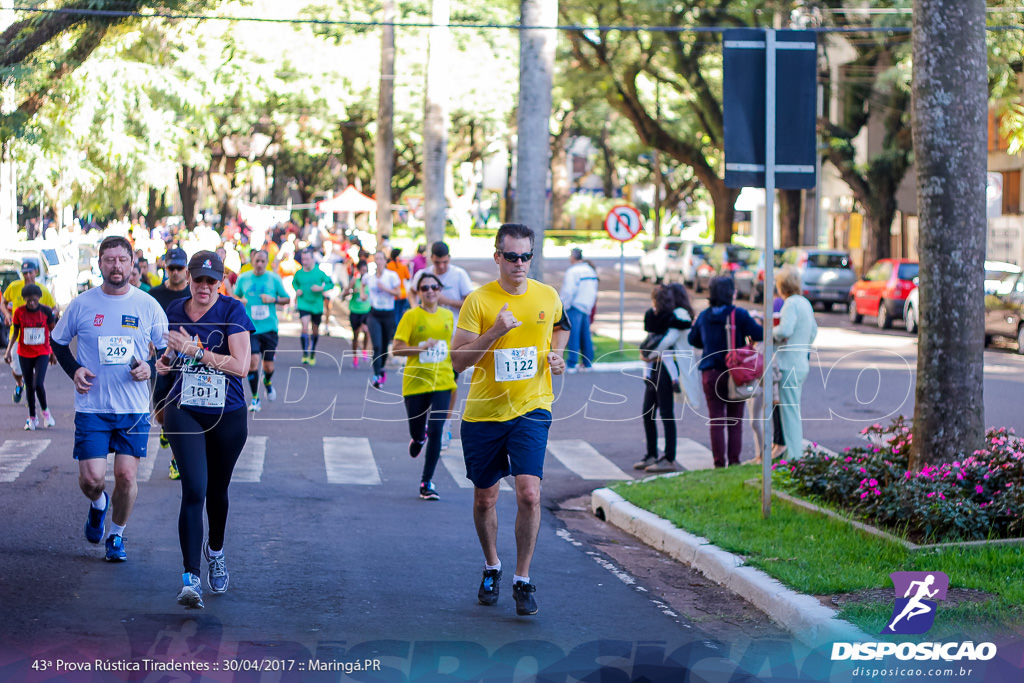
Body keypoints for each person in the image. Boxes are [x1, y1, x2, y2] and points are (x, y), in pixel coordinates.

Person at [451, 223, 570, 617]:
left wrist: (557, 356)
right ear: (497, 256)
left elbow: (560, 326)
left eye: (526, 256)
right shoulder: (479, 301)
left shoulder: (547, 295)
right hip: (484, 413)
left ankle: (522, 578)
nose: (520, 264)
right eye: (512, 256)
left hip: (532, 407)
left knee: (528, 493)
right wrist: (495, 331)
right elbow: (458, 360)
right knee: (485, 498)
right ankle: (492, 566)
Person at [50, 236, 168, 562]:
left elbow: (167, 350)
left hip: (132, 409)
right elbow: (58, 341)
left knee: (126, 477)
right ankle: (99, 504)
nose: (116, 266)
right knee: (91, 480)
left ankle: (116, 535)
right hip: (93, 408)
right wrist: (74, 370)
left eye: (122, 260)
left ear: (133, 264)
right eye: (109, 259)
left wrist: (150, 367)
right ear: (100, 263)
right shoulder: (82, 304)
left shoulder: (146, 305)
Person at [156, 251, 254, 609]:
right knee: (194, 488)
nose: (205, 287)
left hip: (227, 413)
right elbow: (168, 357)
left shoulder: (232, 311)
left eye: (212, 281)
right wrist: (165, 362)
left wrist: (196, 352)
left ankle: (215, 550)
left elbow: (241, 366)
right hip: (186, 410)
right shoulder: (174, 312)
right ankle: (190, 579)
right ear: (190, 279)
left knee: (217, 491)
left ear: (221, 282)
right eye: (199, 279)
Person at [392, 273, 457, 500]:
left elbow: (451, 346)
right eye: (424, 288)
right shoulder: (411, 316)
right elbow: (396, 349)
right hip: (416, 382)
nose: (430, 291)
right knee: (418, 430)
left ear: (440, 290)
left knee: (437, 431)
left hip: (442, 380)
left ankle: (426, 481)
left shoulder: (448, 316)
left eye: (434, 287)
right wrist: (421, 348)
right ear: (419, 292)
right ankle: (418, 438)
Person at [687, 276, 763, 468]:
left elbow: (693, 340)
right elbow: (759, 334)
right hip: (735, 374)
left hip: (710, 373)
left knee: (716, 420)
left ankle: (719, 464)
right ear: (730, 293)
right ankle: (735, 462)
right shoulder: (739, 314)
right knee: (735, 421)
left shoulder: (704, 316)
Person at [411, 241, 475, 449]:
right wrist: (416, 310)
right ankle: (430, 423)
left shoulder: (459, 275)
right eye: (438, 263)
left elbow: (469, 302)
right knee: (427, 381)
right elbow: (412, 291)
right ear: (432, 259)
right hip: (428, 340)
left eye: (445, 262)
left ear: (450, 258)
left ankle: (444, 425)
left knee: (450, 384)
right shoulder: (425, 274)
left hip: (454, 339)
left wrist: (446, 300)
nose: (441, 267)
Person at [633, 285, 692, 473]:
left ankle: (668, 457)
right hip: (655, 368)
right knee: (647, 412)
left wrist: (649, 355)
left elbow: (667, 342)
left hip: (666, 369)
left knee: (666, 413)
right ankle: (651, 454)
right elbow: (653, 336)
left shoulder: (677, 316)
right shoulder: (661, 317)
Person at [147, 247, 192, 479]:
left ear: (186, 270)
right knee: (161, 413)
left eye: (179, 268)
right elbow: (146, 322)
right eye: (171, 268)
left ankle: (176, 460)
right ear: (165, 269)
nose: (175, 273)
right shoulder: (155, 294)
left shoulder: (193, 294)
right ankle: (165, 428)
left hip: (187, 359)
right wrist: (148, 342)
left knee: (181, 411)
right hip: (162, 358)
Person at [234, 250, 290, 412]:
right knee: (253, 361)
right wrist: (240, 301)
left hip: (269, 328)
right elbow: (235, 296)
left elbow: (287, 299)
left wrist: (274, 299)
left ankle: (267, 381)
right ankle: (255, 398)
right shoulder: (243, 278)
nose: (259, 264)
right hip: (250, 328)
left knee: (269, 366)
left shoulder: (274, 278)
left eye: (262, 261)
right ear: (252, 261)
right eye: (257, 260)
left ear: (266, 262)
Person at [773, 265, 818, 461]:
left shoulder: (790, 304)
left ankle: (793, 456)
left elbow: (784, 330)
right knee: (793, 409)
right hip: (801, 362)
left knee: (789, 412)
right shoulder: (805, 303)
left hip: (788, 364)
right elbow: (814, 331)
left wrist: (770, 334)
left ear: (782, 286)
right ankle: (794, 454)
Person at [1, 259, 58, 404]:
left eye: (30, 273)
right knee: (16, 369)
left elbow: (53, 308)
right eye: (24, 273)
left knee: (34, 370)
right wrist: (7, 315)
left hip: (38, 339)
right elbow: (4, 302)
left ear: (36, 272)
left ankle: (30, 392)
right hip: (18, 335)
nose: (27, 276)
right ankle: (20, 384)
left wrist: (52, 316)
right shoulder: (14, 287)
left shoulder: (42, 290)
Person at [4, 284, 57, 430]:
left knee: (38, 384)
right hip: (24, 352)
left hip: (42, 352)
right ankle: (32, 418)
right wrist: (8, 351)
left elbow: (53, 333)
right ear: (24, 300)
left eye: (34, 300)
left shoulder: (46, 311)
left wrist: (53, 353)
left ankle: (46, 413)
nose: (31, 303)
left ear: (39, 298)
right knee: (29, 386)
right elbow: (15, 333)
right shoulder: (19, 312)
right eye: (28, 300)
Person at [292, 248, 335, 365]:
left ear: (312, 259)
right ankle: (305, 353)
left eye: (306, 259)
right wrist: (297, 290)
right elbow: (294, 283)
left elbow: (331, 284)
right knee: (304, 327)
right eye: (302, 259)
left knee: (315, 330)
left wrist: (321, 288)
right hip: (303, 303)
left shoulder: (319, 273)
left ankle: (312, 351)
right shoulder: (299, 273)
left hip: (316, 305)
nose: (304, 261)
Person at [559, 248, 599, 372]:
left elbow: (568, 290)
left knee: (573, 335)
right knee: (585, 335)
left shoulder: (573, 271)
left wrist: (563, 305)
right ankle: (587, 362)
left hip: (574, 305)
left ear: (573, 257)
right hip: (586, 305)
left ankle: (572, 363)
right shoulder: (590, 271)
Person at [365, 251, 401, 388]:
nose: (379, 261)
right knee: (377, 345)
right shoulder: (370, 278)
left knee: (385, 346)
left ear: (385, 261)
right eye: (376, 259)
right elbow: (362, 285)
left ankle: (381, 369)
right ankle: (376, 375)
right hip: (374, 314)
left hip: (388, 314)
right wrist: (363, 294)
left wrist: (385, 288)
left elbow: (398, 293)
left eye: (381, 259)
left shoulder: (391, 276)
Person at [341, 259, 372, 368]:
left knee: (366, 331)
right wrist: (351, 292)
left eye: (366, 270)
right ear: (359, 270)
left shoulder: (370, 281)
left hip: (366, 310)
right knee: (356, 334)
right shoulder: (354, 281)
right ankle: (355, 356)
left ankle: (364, 350)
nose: (364, 272)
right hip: (355, 310)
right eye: (362, 270)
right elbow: (344, 295)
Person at [387, 247, 412, 326]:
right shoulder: (403, 266)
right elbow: (408, 278)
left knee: (393, 314)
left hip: (391, 294)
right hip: (402, 293)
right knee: (399, 314)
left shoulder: (388, 266)